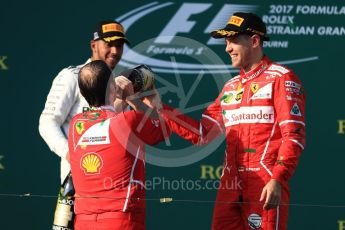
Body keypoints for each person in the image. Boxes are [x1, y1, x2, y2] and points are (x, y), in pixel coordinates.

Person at [159, 12, 306, 229]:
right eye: (226, 41)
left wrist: (278, 178)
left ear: (255, 41)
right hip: (230, 185)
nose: (227, 48)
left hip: (264, 182)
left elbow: (293, 136)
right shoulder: (230, 87)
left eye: (233, 40)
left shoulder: (281, 78)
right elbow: (203, 134)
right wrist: (159, 107)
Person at [69, 60, 169, 230]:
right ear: (112, 88)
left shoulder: (76, 124)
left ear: (82, 92)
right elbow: (163, 129)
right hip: (121, 220)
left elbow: (105, 117)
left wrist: (116, 95)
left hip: (84, 222)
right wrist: (135, 98)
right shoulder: (129, 121)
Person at [39, 20, 129, 183]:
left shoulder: (120, 85)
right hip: (78, 181)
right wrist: (71, 154)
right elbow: (47, 122)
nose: (115, 51)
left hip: (113, 180)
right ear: (94, 46)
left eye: (120, 45)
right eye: (109, 44)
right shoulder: (72, 76)